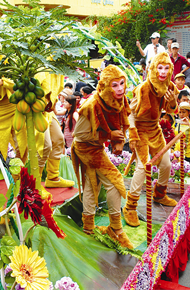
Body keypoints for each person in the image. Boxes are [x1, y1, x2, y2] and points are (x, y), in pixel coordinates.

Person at [72, 65, 133, 249]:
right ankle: (116, 229)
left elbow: (123, 124)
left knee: (92, 184)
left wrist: (119, 141)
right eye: (115, 85)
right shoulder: (91, 105)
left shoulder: (120, 101)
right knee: (115, 181)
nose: (120, 89)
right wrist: (108, 136)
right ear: (105, 87)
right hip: (85, 147)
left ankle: (89, 227)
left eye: (122, 83)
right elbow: (79, 136)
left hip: (97, 146)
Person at [123, 52, 179, 228]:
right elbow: (129, 113)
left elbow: (172, 111)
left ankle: (160, 194)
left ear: (170, 70)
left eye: (166, 68)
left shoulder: (169, 86)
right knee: (143, 166)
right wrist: (132, 134)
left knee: (166, 164)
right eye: (159, 68)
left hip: (155, 128)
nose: (163, 72)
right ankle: (130, 207)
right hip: (139, 129)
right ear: (154, 69)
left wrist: (172, 102)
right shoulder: (143, 88)